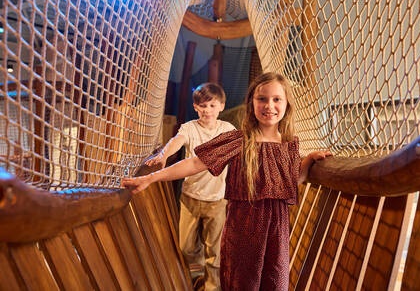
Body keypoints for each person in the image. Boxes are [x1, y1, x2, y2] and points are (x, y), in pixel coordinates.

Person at [122, 72, 332, 291]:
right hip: (243, 228)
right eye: (262, 99)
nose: (269, 105)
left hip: (276, 231)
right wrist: (150, 178)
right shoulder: (238, 140)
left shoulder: (289, 145)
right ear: (252, 103)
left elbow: (289, 183)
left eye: (276, 99)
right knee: (243, 281)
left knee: (275, 281)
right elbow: (195, 163)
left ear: (287, 104)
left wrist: (307, 162)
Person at [145, 82, 235, 291]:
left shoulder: (227, 130)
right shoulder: (190, 127)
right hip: (190, 197)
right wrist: (163, 155)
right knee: (186, 246)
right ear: (196, 107)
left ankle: (213, 287)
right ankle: (197, 275)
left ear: (221, 106)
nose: (207, 111)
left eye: (212, 106)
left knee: (215, 249)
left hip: (216, 200)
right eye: (203, 106)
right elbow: (177, 140)